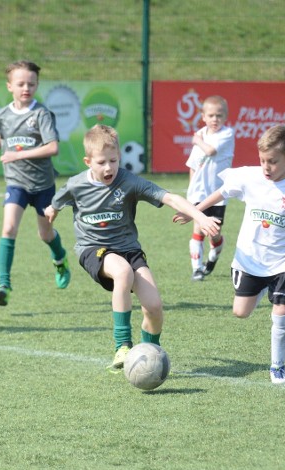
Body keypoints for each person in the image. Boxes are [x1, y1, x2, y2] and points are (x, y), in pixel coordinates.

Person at [45, 124, 220, 370]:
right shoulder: (76, 185)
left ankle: (149, 356)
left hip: (128, 249)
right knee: (122, 272)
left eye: (114, 160)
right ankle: (122, 346)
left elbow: (169, 197)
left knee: (154, 307)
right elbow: (57, 202)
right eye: (102, 162)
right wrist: (52, 209)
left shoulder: (128, 182)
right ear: (88, 162)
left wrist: (199, 216)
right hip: (93, 248)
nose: (109, 168)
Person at [174, 125, 285, 384]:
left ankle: (277, 367)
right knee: (241, 312)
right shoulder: (250, 176)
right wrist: (194, 211)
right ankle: (260, 290)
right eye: (262, 160)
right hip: (250, 259)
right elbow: (222, 192)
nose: (266, 166)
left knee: (280, 310)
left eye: (272, 161)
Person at [0, 60, 70, 307]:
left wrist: (18, 154)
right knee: (9, 229)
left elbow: (52, 147)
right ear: (9, 86)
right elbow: (0, 138)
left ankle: (60, 259)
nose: (26, 88)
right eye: (21, 83)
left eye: (31, 83)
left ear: (37, 85)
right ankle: (4, 284)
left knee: (45, 234)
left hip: (43, 185)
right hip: (16, 183)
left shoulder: (41, 114)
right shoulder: (2, 115)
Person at [185, 95, 235, 281]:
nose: (215, 119)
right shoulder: (200, 134)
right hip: (199, 193)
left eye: (219, 115)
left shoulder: (227, 134)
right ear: (203, 116)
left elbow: (211, 151)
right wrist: (191, 190)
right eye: (211, 115)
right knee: (198, 229)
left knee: (213, 233)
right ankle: (197, 269)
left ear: (226, 116)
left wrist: (196, 140)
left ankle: (217, 248)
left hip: (218, 194)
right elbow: (192, 165)